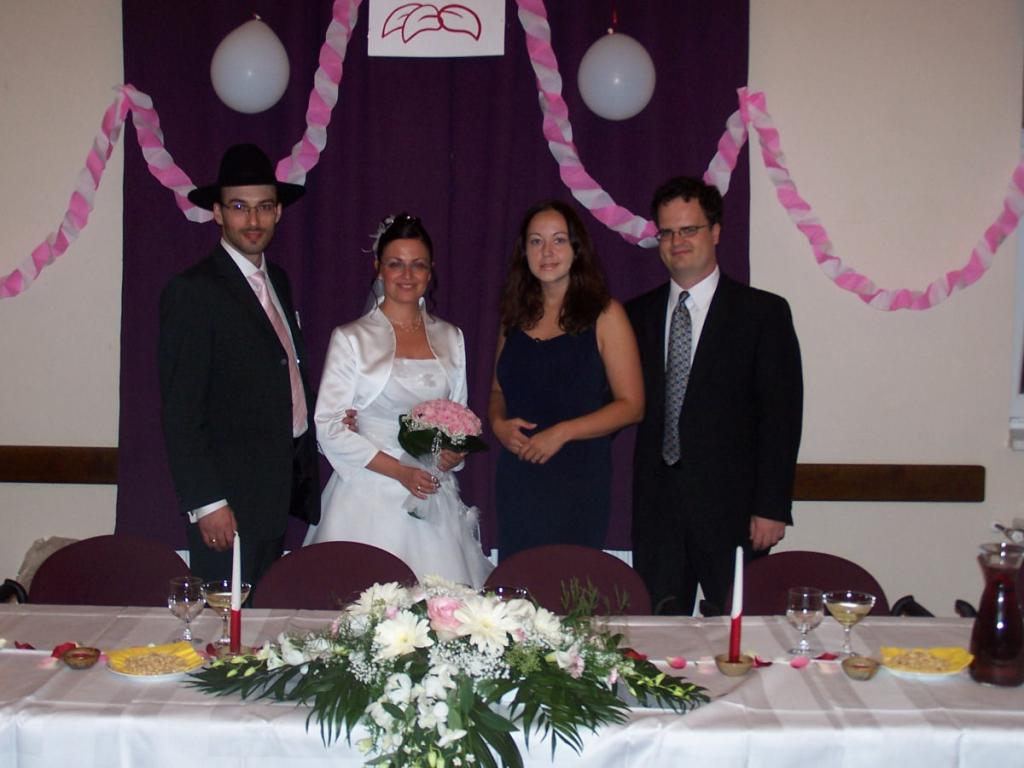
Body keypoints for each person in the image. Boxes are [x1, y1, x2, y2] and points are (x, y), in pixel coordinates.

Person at [626, 176, 803, 616]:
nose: (677, 242)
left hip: (735, 514)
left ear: (716, 232)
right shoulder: (635, 316)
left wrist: (772, 507)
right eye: (667, 232)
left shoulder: (763, 314)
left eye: (689, 229)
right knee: (658, 642)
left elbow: (781, 417)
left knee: (741, 638)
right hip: (658, 515)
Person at [159, 143, 320, 588]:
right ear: (217, 212)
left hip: (276, 492)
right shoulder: (193, 292)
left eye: (264, 207)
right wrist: (207, 502)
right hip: (226, 502)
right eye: (239, 207)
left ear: (278, 212)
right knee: (224, 623)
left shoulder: (277, 280)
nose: (253, 220)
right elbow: (181, 411)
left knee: (262, 618)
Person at [303, 213, 493, 588]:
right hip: (369, 488)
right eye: (395, 264)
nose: (407, 275)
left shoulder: (451, 337)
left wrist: (453, 454)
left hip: (431, 491)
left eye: (417, 264)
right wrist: (400, 472)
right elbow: (328, 426)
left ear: (430, 271)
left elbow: (460, 416)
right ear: (379, 267)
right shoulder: (351, 338)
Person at [490, 200, 644, 560]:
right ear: (524, 252)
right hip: (519, 476)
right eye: (536, 241)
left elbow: (632, 406)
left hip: (577, 478)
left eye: (558, 240)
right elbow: (497, 390)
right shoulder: (514, 316)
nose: (547, 252)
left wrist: (562, 432)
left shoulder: (606, 314)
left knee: (570, 583)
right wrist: (497, 424)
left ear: (577, 249)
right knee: (519, 582)